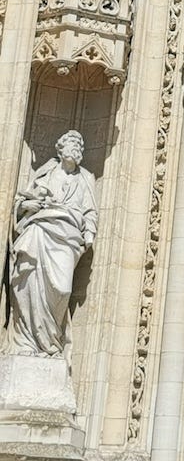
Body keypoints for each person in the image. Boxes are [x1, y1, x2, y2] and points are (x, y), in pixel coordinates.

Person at [7, 130, 97, 357]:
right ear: (61, 148)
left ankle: (50, 341)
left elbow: (90, 212)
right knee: (28, 279)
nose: (77, 147)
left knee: (62, 288)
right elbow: (23, 200)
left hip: (68, 236)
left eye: (80, 145)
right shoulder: (47, 171)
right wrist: (29, 206)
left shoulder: (86, 178)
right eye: (72, 143)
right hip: (39, 229)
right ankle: (25, 340)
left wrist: (89, 235)